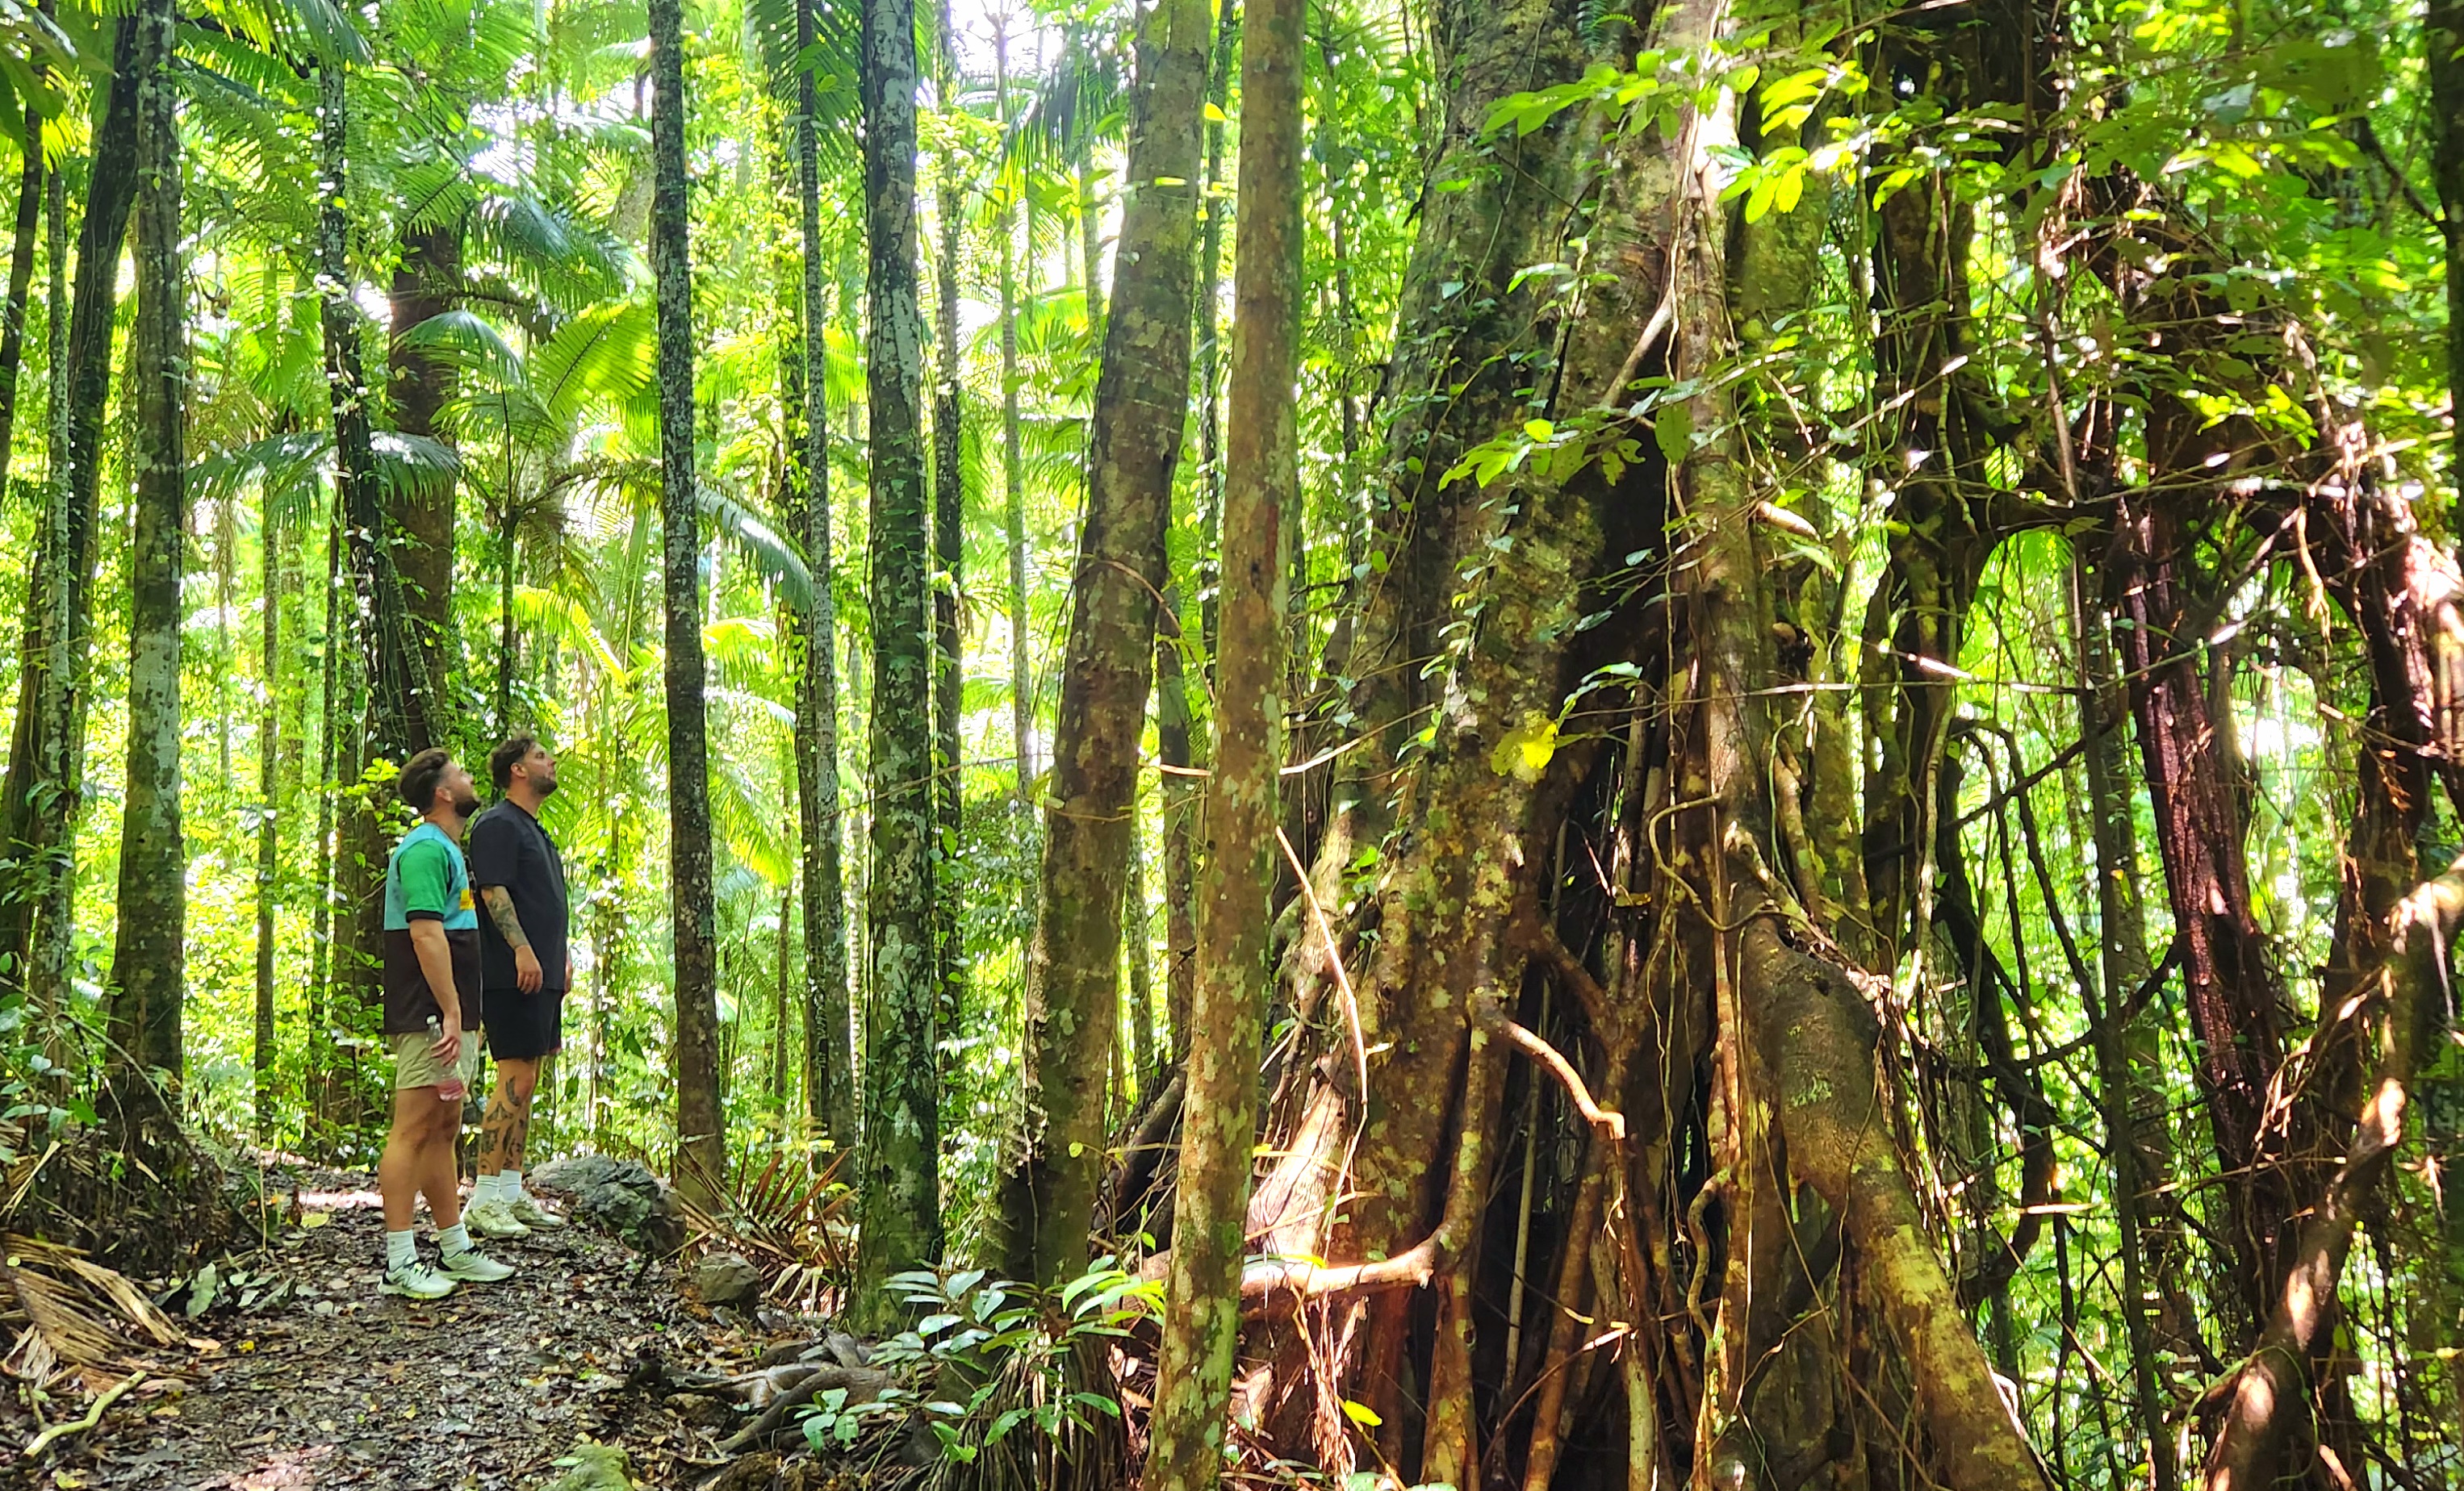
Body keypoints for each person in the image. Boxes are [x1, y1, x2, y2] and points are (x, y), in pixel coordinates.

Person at [378, 749, 517, 1298]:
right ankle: (398, 1261)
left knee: (443, 1126)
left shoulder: (447, 850)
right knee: (412, 1126)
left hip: (453, 1010)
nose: (467, 780)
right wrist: (450, 1009)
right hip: (431, 1011)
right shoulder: (423, 850)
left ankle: (454, 1246)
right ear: (441, 793)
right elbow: (425, 933)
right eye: (460, 774)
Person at [465, 735, 573, 1238]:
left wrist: (559, 959)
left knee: (527, 1080)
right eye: (539, 756)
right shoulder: (496, 824)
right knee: (513, 1077)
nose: (550, 762)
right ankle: (483, 1198)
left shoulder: (537, 832)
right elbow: (492, 891)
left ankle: (511, 1190)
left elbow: (546, 903)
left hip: (542, 974)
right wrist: (522, 951)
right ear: (517, 771)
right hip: (513, 974)